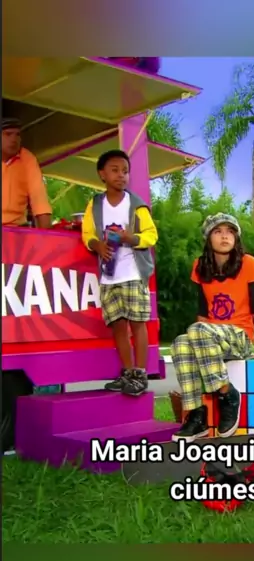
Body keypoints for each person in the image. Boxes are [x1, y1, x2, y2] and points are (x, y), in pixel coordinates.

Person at [171, 213, 254, 442]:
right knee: (181, 342)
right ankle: (197, 415)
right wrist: (197, 343)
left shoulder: (249, 263)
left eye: (230, 232)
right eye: (218, 231)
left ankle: (227, 394)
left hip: (240, 336)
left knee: (197, 330)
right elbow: (202, 310)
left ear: (236, 238)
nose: (225, 236)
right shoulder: (199, 266)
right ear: (208, 237)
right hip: (208, 338)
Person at [81, 149, 158, 396]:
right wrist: (97, 245)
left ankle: (140, 375)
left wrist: (130, 238)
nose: (121, 175)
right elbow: (87, 233)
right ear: (102, 174)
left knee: (138, 324)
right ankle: (127, 373)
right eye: (114, 170)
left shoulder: (136, 205)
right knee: (117, 325)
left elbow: (151, 235)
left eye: (125, 171)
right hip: (108, 275)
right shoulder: (95, 204)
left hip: (133, 272)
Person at [2, 117, 52, 228]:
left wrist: (46, 235)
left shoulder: (27, 159)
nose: (14, 139)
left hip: (16, 229)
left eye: (18, 135)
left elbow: (39, 199)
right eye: (8, 134)